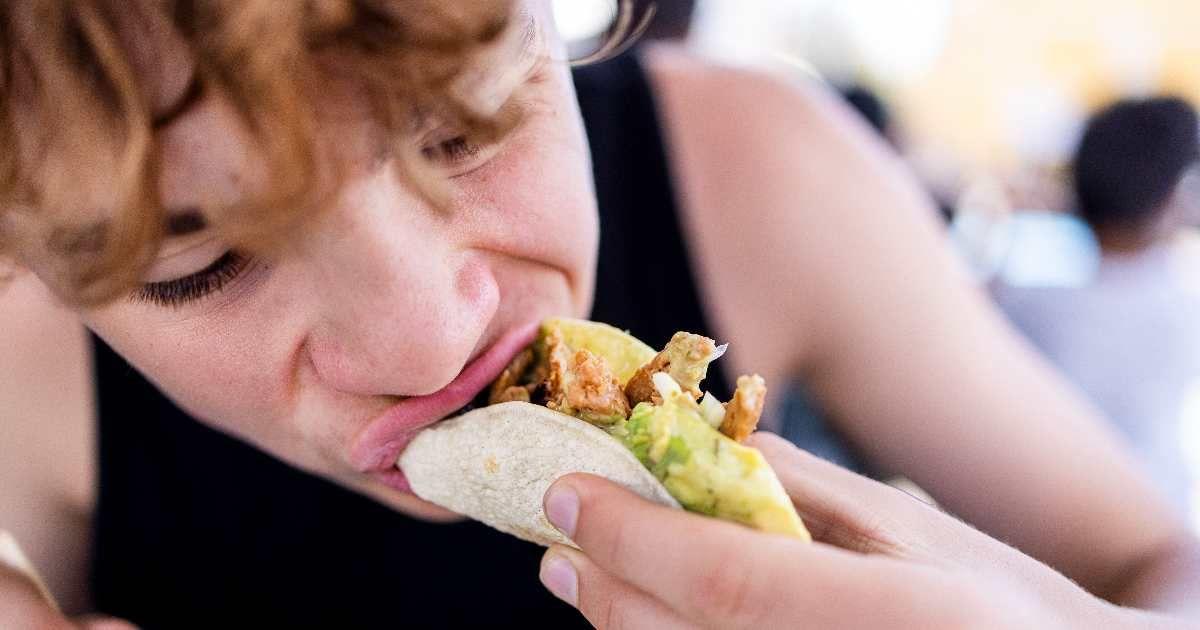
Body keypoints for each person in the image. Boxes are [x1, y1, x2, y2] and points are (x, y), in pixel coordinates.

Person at [1, 2, 1198, 628]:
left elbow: (1164, 559)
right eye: (199, 261)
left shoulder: (759, 177)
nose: (427, 342)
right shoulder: (29, 369)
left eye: (463, 124)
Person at [993, 97, 1200, 516]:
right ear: (1172, 198)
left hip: (1035, 526)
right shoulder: (1183, 312)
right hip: (1157, 526)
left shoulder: (1020, 303)